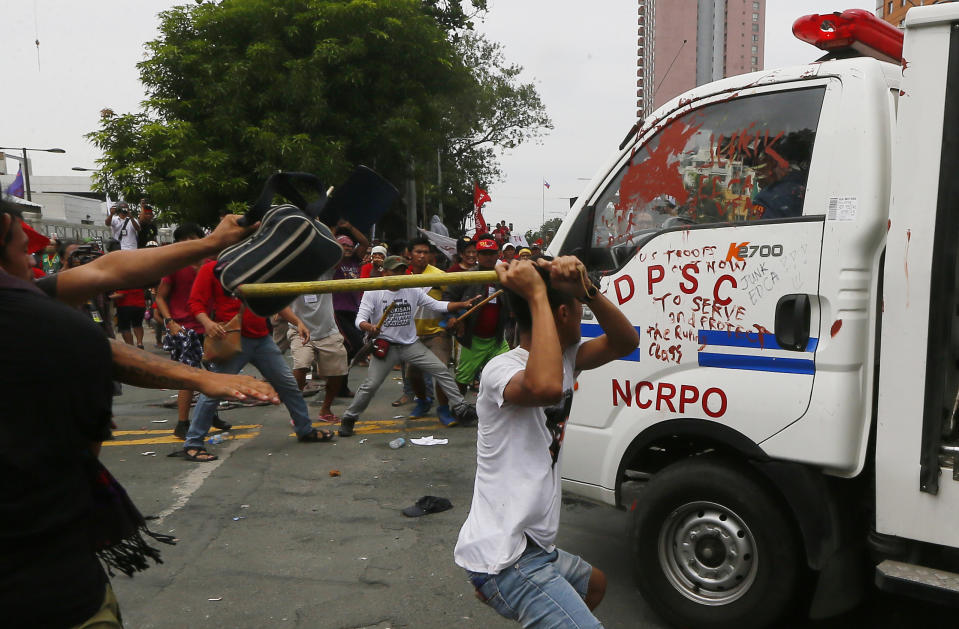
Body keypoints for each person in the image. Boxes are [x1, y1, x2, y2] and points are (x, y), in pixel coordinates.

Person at [0, 198, 278, 628]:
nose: (33, 260)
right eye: (24, 249)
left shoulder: (33, 311)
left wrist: (213, 243)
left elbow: (109, 270)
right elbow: (92, 354)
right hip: (45, 585)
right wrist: (199, 378)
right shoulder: (45, 328)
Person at [454, 256, 639, 628]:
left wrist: (587, 293)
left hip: (536, 547)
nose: (581, 316)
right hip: (506, 556)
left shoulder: (567, 358)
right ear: (562, 316)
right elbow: (545, 387)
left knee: (594, 588)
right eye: (576, 308)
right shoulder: (501, 369)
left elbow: (626, 341)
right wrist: (539, 292)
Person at [183, 259, 330, 461]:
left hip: (261, 339)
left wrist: (297, 322)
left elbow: (273, 301)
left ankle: (305, 429)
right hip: (232, 338)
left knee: (289, 385)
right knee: (214, 390)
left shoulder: (256, 266)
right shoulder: (213, 268)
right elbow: (195, 303)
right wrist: (207, 323)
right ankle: (193, 443)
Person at [338, 255, 480, 436]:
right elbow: (360, 319)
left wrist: (462, 304)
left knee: (441, 370)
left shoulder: (412, 289)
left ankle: (460, 407)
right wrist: (368, 326)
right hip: (386, 346)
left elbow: (437, 305)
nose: (399, 274)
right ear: (384, 273)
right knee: (371, 385)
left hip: (410, 345)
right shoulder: (373, 291)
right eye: (394, 270)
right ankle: (349, 418)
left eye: (401, 270)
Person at [154, 222, 231, 439]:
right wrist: (170, 322)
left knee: (213, 375)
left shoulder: (211, 265)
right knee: (188, 378)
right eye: (184, 239)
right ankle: (182, 422)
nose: (188, 243)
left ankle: (210, 415)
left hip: (209, 327)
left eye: (193, 238)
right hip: (184, 329)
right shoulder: (174, 266)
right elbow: (160, 297)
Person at [444, 238, 513, 394]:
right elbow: (447, 297)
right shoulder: (468, 276)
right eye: (484, 253)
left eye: (492, 253)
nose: (488, 257)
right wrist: (452, 317)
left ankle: (497, 410)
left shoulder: (504, 276)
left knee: (506, 375)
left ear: (498, 254)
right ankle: (458, 408)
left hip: (497, 340)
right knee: (462, 380)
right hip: (472, 340)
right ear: (478, 256)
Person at [288, 268, 349, 423]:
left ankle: (326, 409)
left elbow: (338, 252)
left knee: (338, 370)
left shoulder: (325, 272)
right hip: (299, 330)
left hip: (328, 331)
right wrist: (298, 322)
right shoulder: (289, 273)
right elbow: (281, 305)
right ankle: (297, 411)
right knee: (301, 365)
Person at [404, 236, 451, 419]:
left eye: (425, 252)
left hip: (437, 332)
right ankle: (423, 402)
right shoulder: (403, 275)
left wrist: (447, 322)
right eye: (418, 252)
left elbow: (451, 297)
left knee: (441, 371)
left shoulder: (439, 275)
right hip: (412, 335)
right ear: (410, 254)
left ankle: (444, 409)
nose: (422, 256)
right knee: (413, 375)